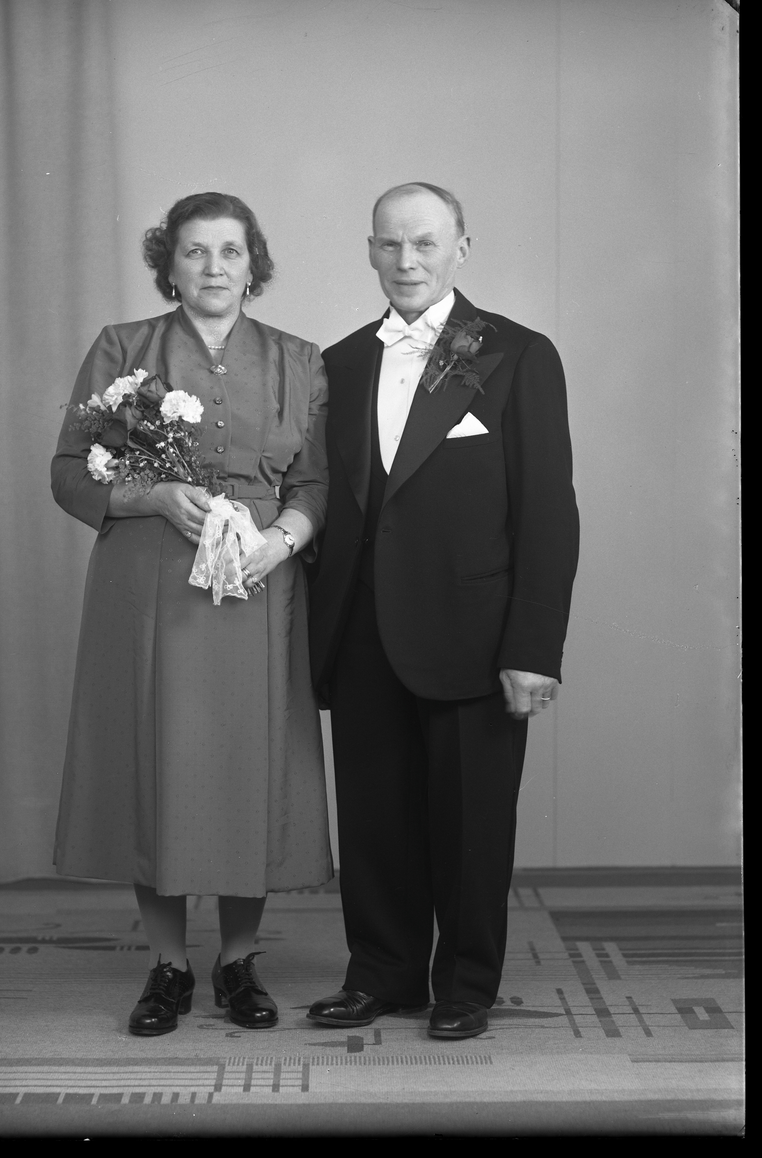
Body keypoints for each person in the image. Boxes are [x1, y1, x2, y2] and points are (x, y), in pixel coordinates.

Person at [51, 192, 331, 1036]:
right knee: (157, 760)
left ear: (254, 266)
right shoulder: (121, 347)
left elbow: (317, 483)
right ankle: (168, 966)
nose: (214, 267)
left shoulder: (299, 359)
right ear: (167, 266)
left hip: (257, 578)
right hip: (151, 583)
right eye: (195, 252)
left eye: (230, 252)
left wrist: (282, 540)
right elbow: (69, 473)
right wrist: (150, 495)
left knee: (249, 762)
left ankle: (237, 961)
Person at [307, 182, 579, 1039]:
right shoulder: (340, 362)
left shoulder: (518, 354)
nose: (406, 260)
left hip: (474, 635)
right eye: (389, 244)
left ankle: (464, 984)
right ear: (369, 250)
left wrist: (532, 647)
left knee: (470, 825)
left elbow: (548, 511)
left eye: (424, 243)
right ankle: (381, 974)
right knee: (374, 820)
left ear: (461, 248)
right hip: (362, 631)